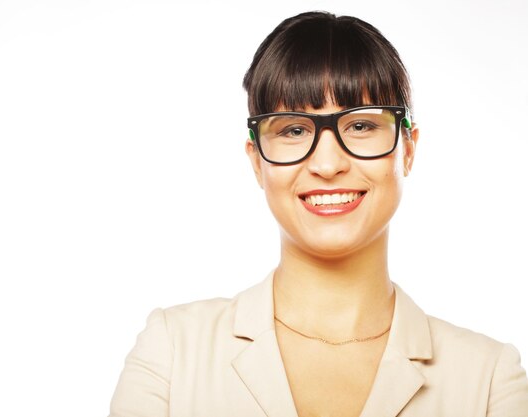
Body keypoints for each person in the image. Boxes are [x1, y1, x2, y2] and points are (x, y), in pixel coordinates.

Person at [108, 11, 528, 417]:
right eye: (293, 129)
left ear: (409, 148)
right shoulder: (173, 352)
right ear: (257, 161)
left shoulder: (488, 380)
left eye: (361, 126)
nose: (328, 165)